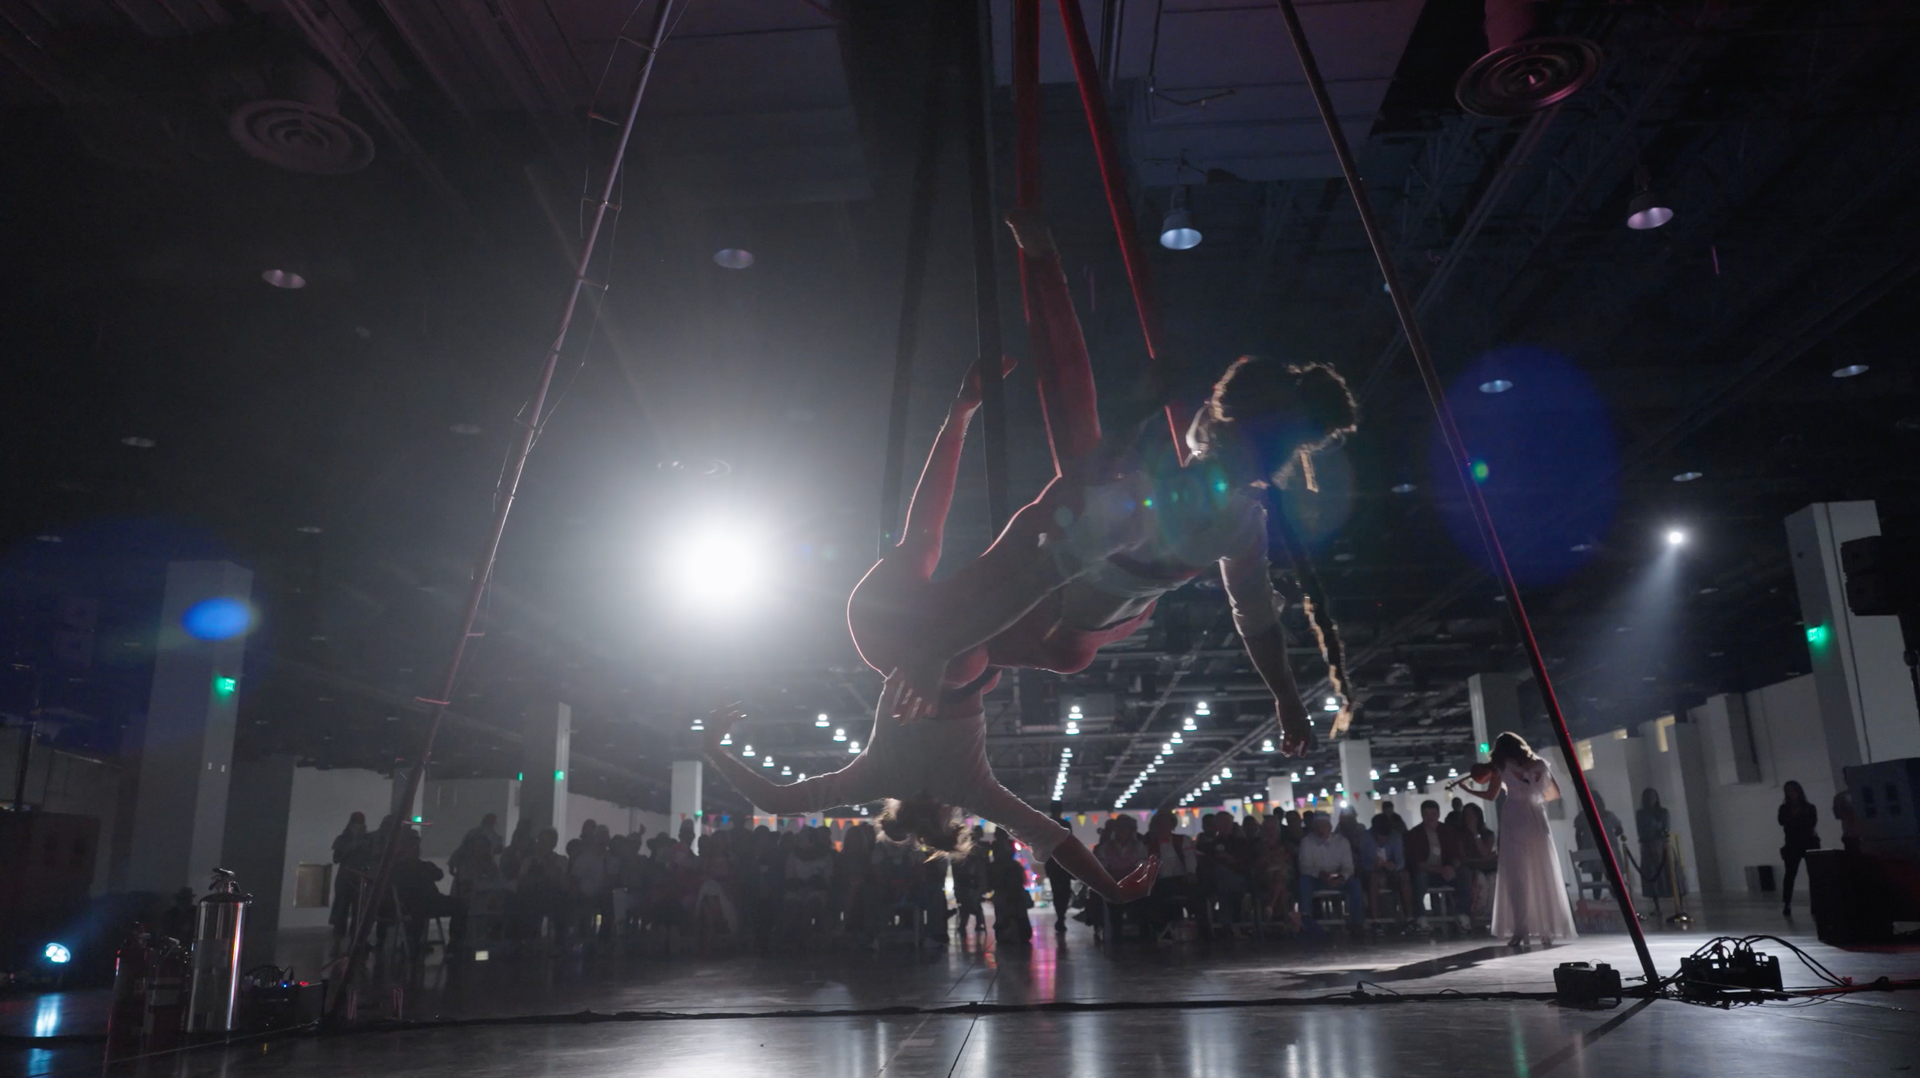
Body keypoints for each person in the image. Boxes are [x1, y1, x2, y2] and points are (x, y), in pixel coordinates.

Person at [857, 215, 1357, 757]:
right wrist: (1283, 696)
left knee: (1088, 470)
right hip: (1080, 608)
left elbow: (1014, 569)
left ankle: (1061, 289)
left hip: (1079, 603)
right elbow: (1252, 615)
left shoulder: (1160, 508)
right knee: (1087, 468)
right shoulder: (1236, 520)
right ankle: (1057, 281)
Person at [702, 706, 1156, 910]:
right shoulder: (876, 777)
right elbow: (776, 801)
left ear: (950, 822)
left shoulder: (972, 788)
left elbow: (1057, 839)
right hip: (904, 643)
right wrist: (713, 749)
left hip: (966, 660)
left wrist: (1112, 891)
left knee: (1065, 647)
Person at [1460, 733, 1576, 946]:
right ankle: (1547, 930)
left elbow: (1491, 795)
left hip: (1514, 817)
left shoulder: (1502, 766)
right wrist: (1534, 796)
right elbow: (1554, 793)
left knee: (1516, 875)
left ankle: (1520, 930)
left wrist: (1468, 790)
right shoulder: (1540, 764)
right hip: (1535, 817)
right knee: (1543, 871)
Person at [1296, 811, 1363, 934]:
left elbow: (1348, 867)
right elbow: (1305, 867)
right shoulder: (1306, 842)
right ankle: (1306, 922)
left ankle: (1357, 922)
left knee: (1355, 883)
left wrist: (1341, 877)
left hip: (1337, 877)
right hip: (1316, 879)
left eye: (1323, 826)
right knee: (1304, 881)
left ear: (1330, 827)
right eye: (1317, 826)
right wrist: (1321, 875)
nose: (1320, 829)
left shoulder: (1342, 842)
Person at [1356, 811, 1412, 923]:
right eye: (1379, 836)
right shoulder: (1364, 838)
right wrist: (1373, 866)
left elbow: (1400, 861)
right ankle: (1375, 921)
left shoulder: (1396, 837)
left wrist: (1392, 866)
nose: (1382, 839)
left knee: (1404, 877)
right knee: (1373, 878)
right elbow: (1362, 862)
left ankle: (1410, 918)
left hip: (1392, 872)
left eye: (1385, 836)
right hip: (1371, 873)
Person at [1778, 780, 1820, 917]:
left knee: (1813, 875)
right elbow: (1782, 821)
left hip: (1806, 843)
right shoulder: (1785, 808)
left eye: (1793, 790)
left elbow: (1811, 823)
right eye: (1788, 791)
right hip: (1793, 844)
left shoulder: (1808, 808)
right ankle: (1787, 903)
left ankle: (1815, 904)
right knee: (1790, 875)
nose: (1791, 793)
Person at [1635, 788, 1685, 904]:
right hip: (1647, 845)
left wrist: (1659, 838)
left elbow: (1666, 829)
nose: (1650, 799)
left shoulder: (1663, 812)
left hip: (1661, 845)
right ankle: (1655, 898)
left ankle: (1677, 896)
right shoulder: (1641, 813)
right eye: (1647, 797)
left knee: (1669, 871)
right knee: (1651, 872)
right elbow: (1641, 830)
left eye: (1652, 796)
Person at [329, 812, 372, 947]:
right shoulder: (343, 839)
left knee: (358, 911)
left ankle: (356, 939)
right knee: (341, 909)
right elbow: (336, 859)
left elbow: (371, 859)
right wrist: (349, 848)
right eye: (355, 824)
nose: (358, 827)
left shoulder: (367, 840)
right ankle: (338, 940)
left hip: (359, 878)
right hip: (344, 878)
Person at [1045, 802, 1080, 934]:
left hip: (1052, 862)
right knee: (1064, 891)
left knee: (1057, 891)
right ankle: (1061, 916)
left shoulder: (1046, 824)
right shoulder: (1065, 824)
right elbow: (1071, 843)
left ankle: (1060, 916)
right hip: (1064, 862)